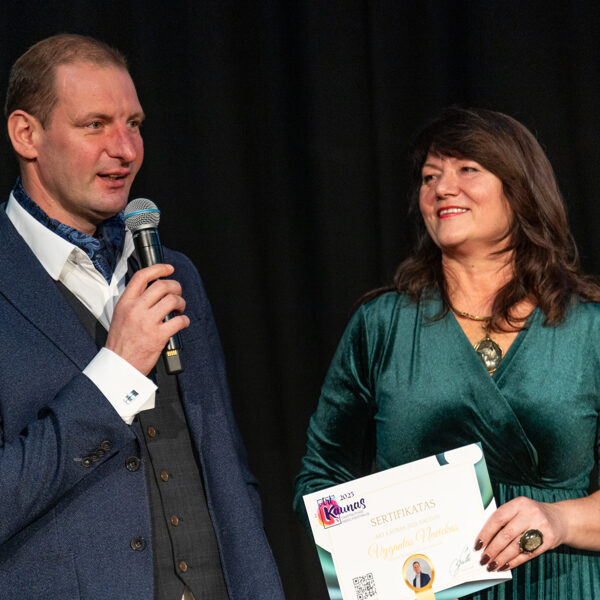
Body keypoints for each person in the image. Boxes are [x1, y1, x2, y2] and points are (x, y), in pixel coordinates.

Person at [0, 34, 284, 600]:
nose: (126, 149)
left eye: (134, 124)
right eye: (95, 125)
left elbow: (227, 472)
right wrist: (115, 372)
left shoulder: (171, 271)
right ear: (27, 134)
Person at [294, 107, 600, 598]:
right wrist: (359, 557)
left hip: (558, 584)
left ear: (520, 188)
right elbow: (321, 475)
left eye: (467, 169)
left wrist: (559, 519)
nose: (441, 188)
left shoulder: (589, 329)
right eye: (429, 176)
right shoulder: (382, 325)